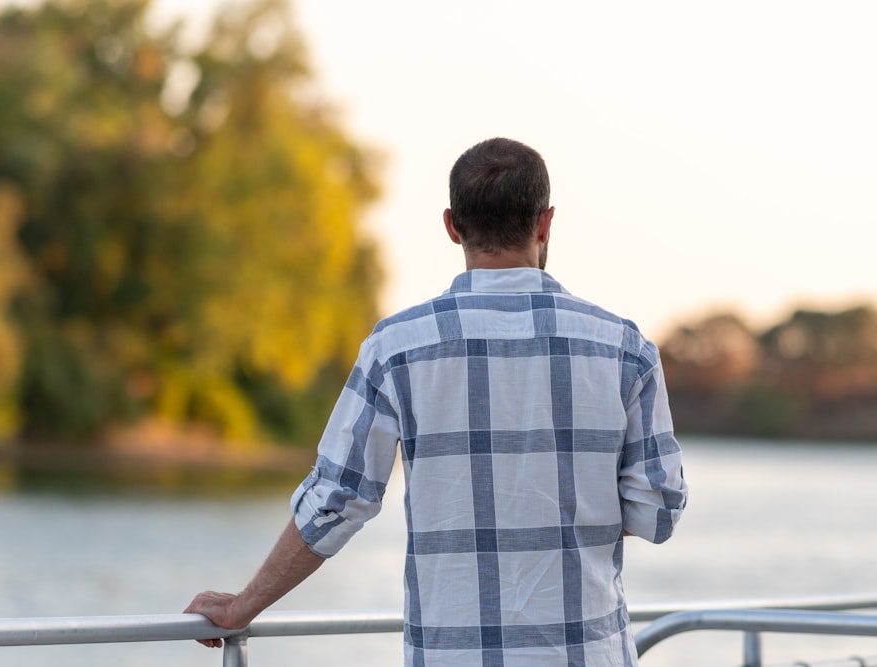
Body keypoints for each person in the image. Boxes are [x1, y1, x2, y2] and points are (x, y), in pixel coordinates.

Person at [185, 137, 688, 666]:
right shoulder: (624, 349)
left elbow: (336, 498)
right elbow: (658, 512)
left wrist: (243, 605)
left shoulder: (397, 347)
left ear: (452, 226)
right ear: (545, 224)